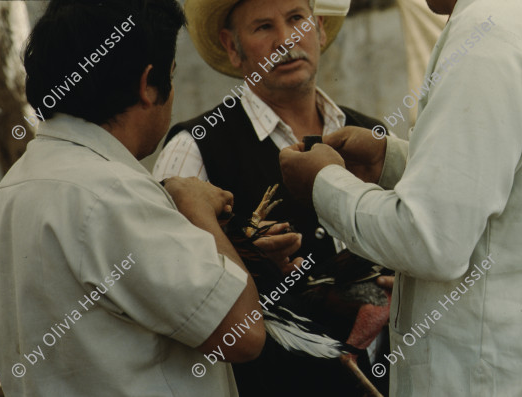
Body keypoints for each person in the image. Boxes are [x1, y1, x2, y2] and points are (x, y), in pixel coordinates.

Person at [0, 1, 264, 396]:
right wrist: (198, 211)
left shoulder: (16, 185)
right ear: (148, 84)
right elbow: (243, 333)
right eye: (172, 75)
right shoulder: (111, 192)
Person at [279, 0, 522, 395]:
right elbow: (506, 177)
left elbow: (431, 238)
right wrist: (390, 160)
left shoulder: (488, 33)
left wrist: (324, 183)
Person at [153, 0, 392, 395]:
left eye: (296, 18)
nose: (286, 40)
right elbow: (175, 293)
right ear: (233, 47)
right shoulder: (193, 149)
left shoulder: (372, 137)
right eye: (263, 27)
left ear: (317, 27)